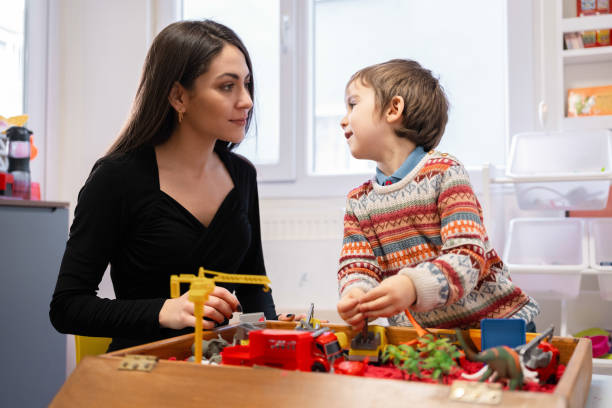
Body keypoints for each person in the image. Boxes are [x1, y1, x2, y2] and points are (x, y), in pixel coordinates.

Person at [50, 20, 296, 352]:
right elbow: (67, 307)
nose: (247, 101)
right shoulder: (116, 178)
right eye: (227, 86)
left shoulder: (242, 175)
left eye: (247, 84)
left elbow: (253, 285)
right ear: (179, 96)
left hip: (216, 365)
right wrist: (165, 310)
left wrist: (267, 338)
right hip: (143, 369)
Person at [336, 59, 540, 333]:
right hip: (429, 338)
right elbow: (358, 265)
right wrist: (357, 293)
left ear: (393, 109)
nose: (343, 119)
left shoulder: (445, 174)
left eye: (353, 104)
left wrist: (412, 285)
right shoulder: (358, 202)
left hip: (497, 328)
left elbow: (467, 255)